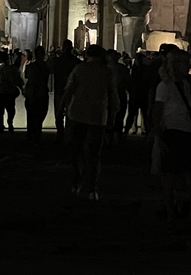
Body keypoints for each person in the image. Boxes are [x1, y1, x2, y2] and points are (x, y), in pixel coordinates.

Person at [57, 45, 118, 201]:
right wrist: (112, 115)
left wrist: (61, 108)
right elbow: (113, 96)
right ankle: (92, 189)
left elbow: (69, 90)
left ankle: (76, 183)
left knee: (76, 152)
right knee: (94, 155)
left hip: (76, 114)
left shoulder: (79, 69)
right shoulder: (107, 72)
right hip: (98, 116)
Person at [153, 49, 191, 229]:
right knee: (170, 177)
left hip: (187, 131)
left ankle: (190, 211)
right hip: (172, 133)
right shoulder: (164, 86)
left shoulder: (188, 83)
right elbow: (157, 113)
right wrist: (159, 137)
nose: (188, 66)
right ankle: (171, 213)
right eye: (184, 63)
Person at [51, 40, 81, 143]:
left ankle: (60, 134)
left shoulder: (57, 61)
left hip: (60, 90)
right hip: (72, 91)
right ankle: (68, 135)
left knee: (59, 114)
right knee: (70, 114)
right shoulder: (76, 62)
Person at [23, 46, 51, 144]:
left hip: (32, 93)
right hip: (42, 93)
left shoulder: (31, 66)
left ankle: (31, 134)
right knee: (40, 116)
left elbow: (28, 79)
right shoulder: (46, 67)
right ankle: (36, 135)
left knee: (31, 116)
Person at [0, 51, 22, 132]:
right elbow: (17, 79)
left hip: (0, 91)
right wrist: (21, 88)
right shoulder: (12, 68)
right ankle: (10, 122)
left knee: (0, 111)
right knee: (11, 109)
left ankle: (1, 125)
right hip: (10, 91)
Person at [125, 52, 149, 135]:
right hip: (142, 94)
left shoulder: (134, 69)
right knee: (142, 114)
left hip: (136, 94)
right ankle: (143, 129)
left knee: (133, 114)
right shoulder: (145, 69)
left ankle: (132, 129)